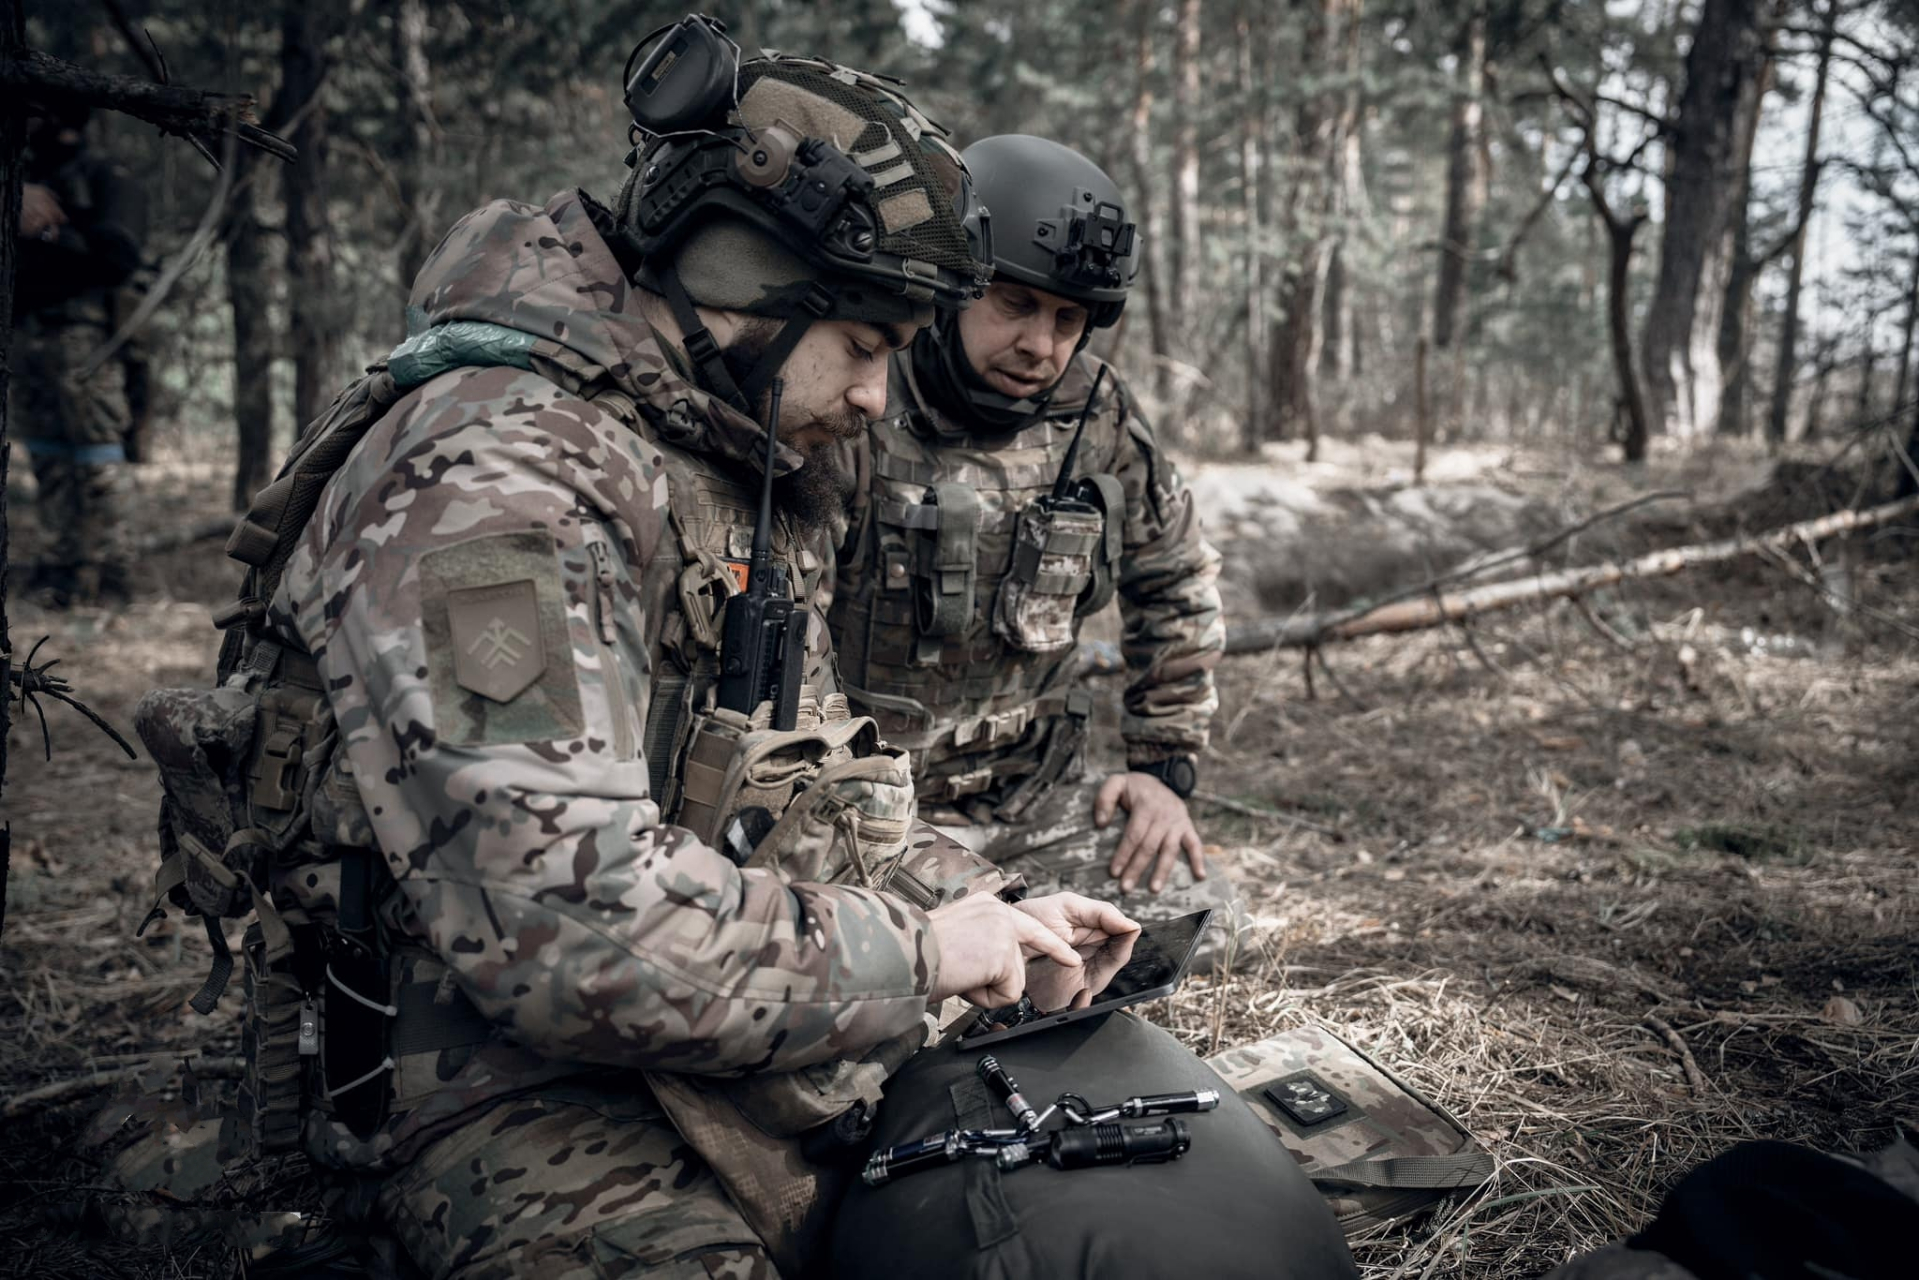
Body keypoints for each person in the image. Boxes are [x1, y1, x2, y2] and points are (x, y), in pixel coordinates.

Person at [142, 27, 1136, 1278]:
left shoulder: (710, 459)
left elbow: (812, 793)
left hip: (667, 1022)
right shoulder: (496, 484)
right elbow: (560, 927)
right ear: (744, 282)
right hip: (461, 1071)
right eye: (867, 346)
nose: (882, 400)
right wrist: (924, 954)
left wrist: (985, 907)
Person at [827, 134, 1240, 947]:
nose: (1040, 346)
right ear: (952, 289)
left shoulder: (1095, 409)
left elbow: (1177, 579)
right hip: (860, 820)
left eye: (1067, 320)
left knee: (1199, 926)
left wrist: (1163, 773)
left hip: (1029, 796)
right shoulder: (863, 392)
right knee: (920, 978)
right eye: (1013, 305)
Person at [12, 103, 141, 608]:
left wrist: (51, 234)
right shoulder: (26, 179)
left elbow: (119, 257)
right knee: (48, 460)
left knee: (98, 460)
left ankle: (114, 575)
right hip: (28, 336)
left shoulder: (104, 175)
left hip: (84, 339)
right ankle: (59, 572)